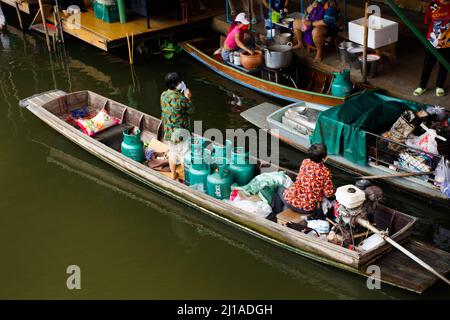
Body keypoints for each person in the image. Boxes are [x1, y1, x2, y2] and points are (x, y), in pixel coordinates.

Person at [272, 143, 335, 219]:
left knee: (280, 188)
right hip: (307, 208)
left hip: (290, 201)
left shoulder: (305, 162)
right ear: (324, 158)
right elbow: (329, 194)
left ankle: (276, 213)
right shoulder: (325, 172)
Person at [161, 72, 194, 180]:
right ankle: (186, 177)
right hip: (181, 132)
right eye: (180, 82)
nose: (181, 83)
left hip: (169, 131)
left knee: (172, 152)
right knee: (184, 154)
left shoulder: (163, 95)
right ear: (176, 84)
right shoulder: (181, 99)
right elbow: (191, 110)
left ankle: (173, 173)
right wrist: (189, 98)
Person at [413, 0, 450, 97]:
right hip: (433, 42)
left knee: (444, 65)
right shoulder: (433, 6)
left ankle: (440, 86)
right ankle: (422, 86)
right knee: (428, 64)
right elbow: (428, 22)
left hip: (448, 43)